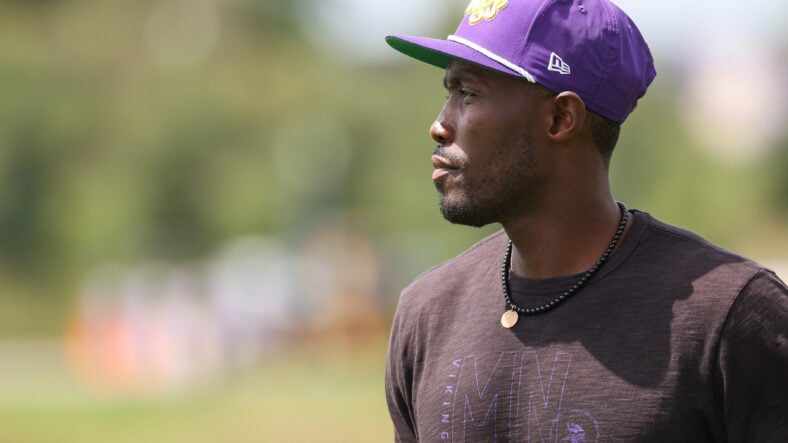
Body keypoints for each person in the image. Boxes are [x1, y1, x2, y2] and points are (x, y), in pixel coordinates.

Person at [383, 0, 788, 441]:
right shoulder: (427, 314)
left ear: (561, 118)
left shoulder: (732, 317)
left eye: (469, 94)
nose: (440, 125)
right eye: (449, 93)